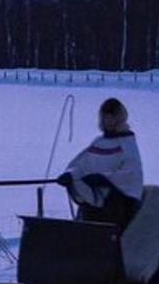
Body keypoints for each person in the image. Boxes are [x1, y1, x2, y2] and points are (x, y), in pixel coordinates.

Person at [56, 97, 143, 230]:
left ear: (119, 118)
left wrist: (104, 178)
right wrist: (70, 175)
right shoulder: (99, 142)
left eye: (111, 117)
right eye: (105, 118)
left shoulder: (127, 143)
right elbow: (81, 165)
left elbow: (131, 174)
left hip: (117, 204)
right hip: (93, 203)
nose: (108, 121)